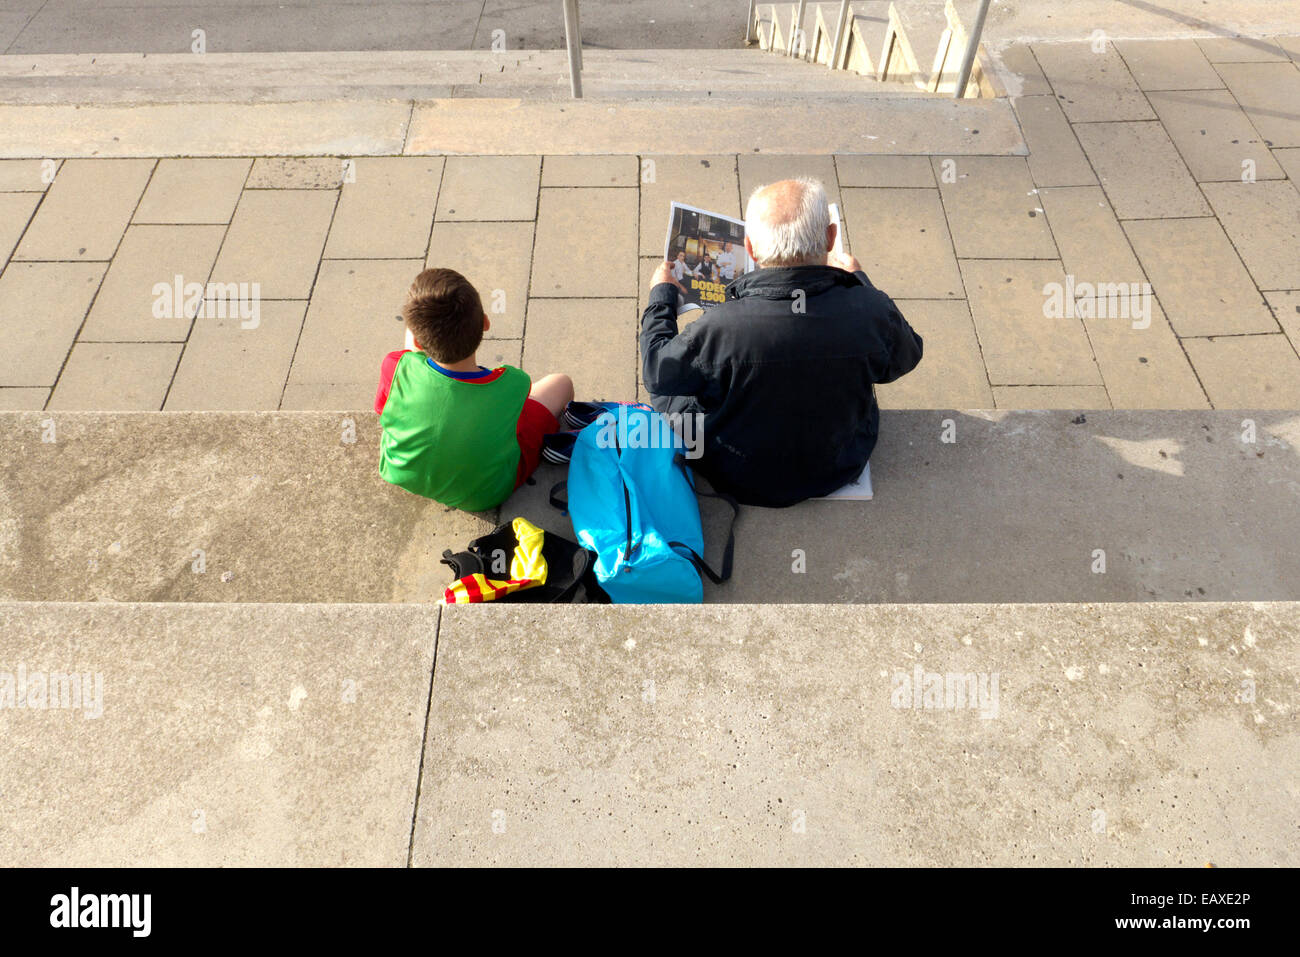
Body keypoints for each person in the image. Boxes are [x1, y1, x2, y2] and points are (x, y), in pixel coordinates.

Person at [640, 178, 923, 508]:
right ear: (831, 239)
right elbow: (905, 356)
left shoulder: (719, 327)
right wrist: (860, 283)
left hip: (733, 471)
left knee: (666, 394)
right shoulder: (871, 310)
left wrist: (661, 296)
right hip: (837, 465)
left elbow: (657, 372)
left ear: (750, 248)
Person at [375, 267, 573, 511]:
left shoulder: (394, 366)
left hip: (399, 470)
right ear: (486, 323)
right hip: (485, 494)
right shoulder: (513, 384)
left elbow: (383, 409)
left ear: (417, 341)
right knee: (561, 383)